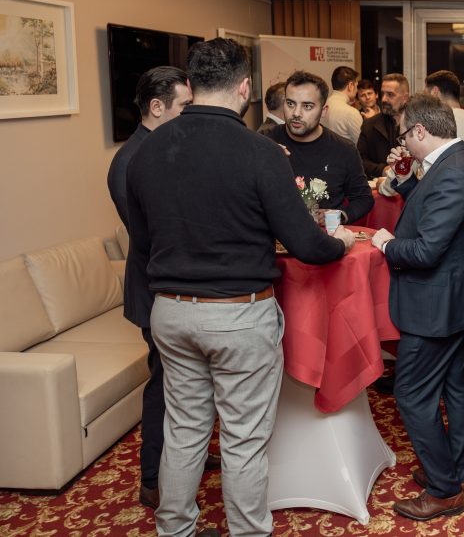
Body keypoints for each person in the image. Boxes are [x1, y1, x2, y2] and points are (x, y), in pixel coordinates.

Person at [126, 38, 355, 537]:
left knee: (183, 431)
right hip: (237, 314)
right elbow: (306, 245)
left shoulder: (146, 149)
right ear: (246, 87)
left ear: (191, 84)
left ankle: (175, 529)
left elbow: (142, 242)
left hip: (171, 312)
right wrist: (338, 242)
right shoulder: (261, 152)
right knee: (243, 439)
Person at [369, 93, 464, 522]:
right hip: (460, 301)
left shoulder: (453, 172)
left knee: (411, 394)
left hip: (437, 306)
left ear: (420, 130)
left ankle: (443, 489)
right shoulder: (461, 162)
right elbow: (432, 207)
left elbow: (425, 250)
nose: (403, 142)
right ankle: (457, 474)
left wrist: (386, 244)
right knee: (456, 388)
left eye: (405, 134)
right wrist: (405, 180)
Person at [106, 65, 205, 510]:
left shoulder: (164, 147)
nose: (191, 113)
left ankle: (185, 457)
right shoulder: (131, 162)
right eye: (185, 106)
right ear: (157, 107)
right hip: (155, 290)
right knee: (165, 387)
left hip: (172, 286)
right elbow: (153, 235)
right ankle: (153, 480)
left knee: (186, 385)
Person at [266, 71, 373, 223]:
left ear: (323, 111)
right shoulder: (265, 142)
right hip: (275, 235)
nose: (296, 113)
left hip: (324, 234)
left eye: (307, 106)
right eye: (290, 104)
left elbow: (363, 198)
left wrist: (339, 216)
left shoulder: (344, 150)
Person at [358, 73, 410, 177]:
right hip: (379, 184)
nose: (384, 99)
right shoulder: (369, 125)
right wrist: (382, 170)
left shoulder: (418, 126)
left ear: (405, 98)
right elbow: (359, 160)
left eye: (390, 94)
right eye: (383, 94)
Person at [322, 65, 363, 145]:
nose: (356, 90)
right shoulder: (351, 113)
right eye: (356, 85)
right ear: (351, 86)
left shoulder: (322, 106)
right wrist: (369, 123)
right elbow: (363, 145)